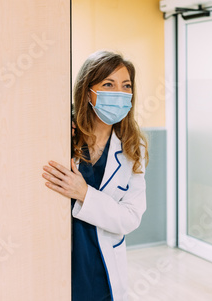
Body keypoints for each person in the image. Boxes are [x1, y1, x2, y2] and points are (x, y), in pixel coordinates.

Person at [42, 50, 149, 301]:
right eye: (108, 84)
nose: (119, 93)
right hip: (59, 256)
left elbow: (131, 217)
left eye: (126, 86)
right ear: (87, 90)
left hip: (102, 265)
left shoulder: (133, 148)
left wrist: (84, 193)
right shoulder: (58, 134)